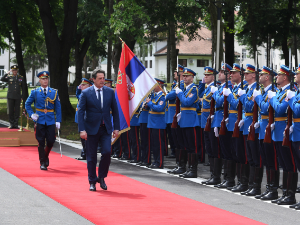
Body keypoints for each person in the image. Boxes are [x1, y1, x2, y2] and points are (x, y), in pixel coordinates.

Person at [78, 69, 120, 191]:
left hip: (105, 128)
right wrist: (82, 130)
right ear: (94, 79)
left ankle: (101, 177)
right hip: (91, 129)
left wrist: (116, 127)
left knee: (107, 152)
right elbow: (80, 112)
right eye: (100, 78)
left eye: (104, 78)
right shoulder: (86, 93)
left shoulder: (109, 92)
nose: (103, 80)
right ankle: (92, 181)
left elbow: (115, 110)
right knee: (91, 156)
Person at [268, 65, 297, 205]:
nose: (276, 77)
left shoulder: (289, 93)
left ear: (285, 77)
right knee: (285, 164)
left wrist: (272, 99)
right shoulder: (281, 93)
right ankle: (286, 193)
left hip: (286, 132)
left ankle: (290, 195)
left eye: (278, 75)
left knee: (290, 164)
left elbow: (279, 110)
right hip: (278, 131)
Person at [25, 71, 61, 170]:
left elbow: (58, 107)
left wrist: (58, 120)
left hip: (50, 119)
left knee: (51, 140)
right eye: (43, 79)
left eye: (46, 79)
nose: (45, 81)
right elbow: (27, 104)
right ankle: (42, 162)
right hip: (40, 119)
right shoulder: (35, 92)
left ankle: (45, 156)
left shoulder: (54, 92)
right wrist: (32, 114)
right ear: (39, 80)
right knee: (40, 141)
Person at [253, 66, 279, 200]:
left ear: (267, 77)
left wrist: (257, 98)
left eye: (262, 75)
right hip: (263, 129)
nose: (259, 77)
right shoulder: (264, 92)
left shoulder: (272, 92)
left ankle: (273, 189)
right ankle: (269, 187)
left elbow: (264, 108)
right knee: (267, 160)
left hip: (269, 130)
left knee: (272, 160)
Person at [224, 63, 249, 192]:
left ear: (241, 74)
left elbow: (236, 105)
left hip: (239, 123)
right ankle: (233, 180)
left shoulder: (243, 88)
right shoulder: (235, 88)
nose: (231, 74)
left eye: (234, 72)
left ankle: (243, 182)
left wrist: (228, 97)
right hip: (232, 123)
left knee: (240, 153)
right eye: (231, 72)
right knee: (233, 152)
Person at [175, 68, 199, 178]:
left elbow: (187, 102)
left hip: (191, 120)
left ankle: (193, 170)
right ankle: (187, 168)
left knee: (192, 146)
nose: (185, 78)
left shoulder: (193, 89)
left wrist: (179, 94)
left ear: (192, 77)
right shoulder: (185, 89)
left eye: (187, 76)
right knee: (186, 145)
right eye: (184, 76)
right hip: (184, 120)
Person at [286, 64, 300, 210]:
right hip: (296, 132)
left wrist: (291, 99)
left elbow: (297, 110)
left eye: (297, 74)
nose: (295, 75)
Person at [145, 78, 166, 169]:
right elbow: (150, 107)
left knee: (159, 144)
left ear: (159, 86)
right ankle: (155, 161)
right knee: (154, 144)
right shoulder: (153, 95)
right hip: (152, 122)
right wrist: (146, 105)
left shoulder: (162, 96)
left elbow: (159, 108)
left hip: (158, 123)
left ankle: (160, 162)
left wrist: (149, 103)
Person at [75, 78, 93, 160]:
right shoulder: (81, 94)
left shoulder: (90, 94)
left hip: (86, 118)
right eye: (81, 85)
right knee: (83, 139)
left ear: (89, 86)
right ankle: (84, 153)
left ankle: (86, 154)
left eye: (84, 85)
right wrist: (78, 88)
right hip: (80, 118)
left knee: (87, 138)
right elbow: (77, 94)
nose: (82, 86)